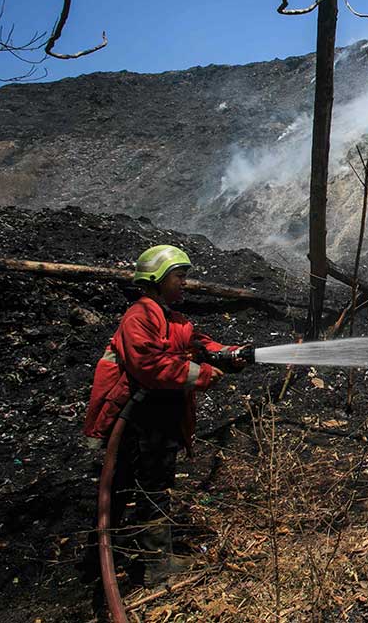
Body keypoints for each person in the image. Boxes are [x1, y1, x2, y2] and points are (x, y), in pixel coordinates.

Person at [82, 244, 244, 585]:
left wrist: (231, 355)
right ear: (156, 280)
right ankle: (154, 565)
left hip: (157, 417)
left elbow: (199, 345)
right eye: (179, 277)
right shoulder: (140, 316)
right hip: (140, 422)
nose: (185, 283)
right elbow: (150, 366)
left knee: (137, 485)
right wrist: (201, 375)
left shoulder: (173, 319)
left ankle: (111, 554)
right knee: (146, 487)